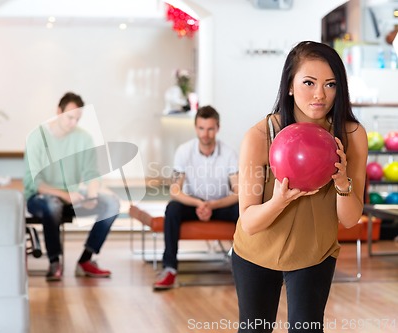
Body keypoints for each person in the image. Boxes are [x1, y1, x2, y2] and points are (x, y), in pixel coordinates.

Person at [232, 41, 368, 332]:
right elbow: (250, 223)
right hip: (255, 253)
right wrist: (280, 200)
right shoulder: (259, 136)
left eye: (330, 85)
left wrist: (342, 181)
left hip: (314, 254)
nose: (320, 94)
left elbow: (349, 219)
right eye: (309, 82)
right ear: (290, 86)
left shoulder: (352, 135)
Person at [23, 92, 120, 282]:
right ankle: (54, 261)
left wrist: (92, 194)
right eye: (69, 117)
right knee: (52, 205)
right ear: (58, 112)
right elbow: (33, 182)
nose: (73, 123)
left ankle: (86, 260)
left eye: (77, 119)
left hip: (73, 196)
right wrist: (65, 196)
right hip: (41, 197)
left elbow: (92, 173)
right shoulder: (36, 138)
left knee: (112, 204)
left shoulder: (83, 138)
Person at [153, 105, 240, 290]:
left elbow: (239, 192)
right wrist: (199, 204)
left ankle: (245, 267)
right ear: (195, 128)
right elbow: (175, 190)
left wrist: (213, 205)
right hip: (194, 204)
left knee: (243, 209)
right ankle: (169, 269)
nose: (205, 134)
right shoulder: (184, 151)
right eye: (201, 128)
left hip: (220, 205)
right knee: (172, 208)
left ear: (218, 128)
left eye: (210, 129)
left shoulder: (230, 153)